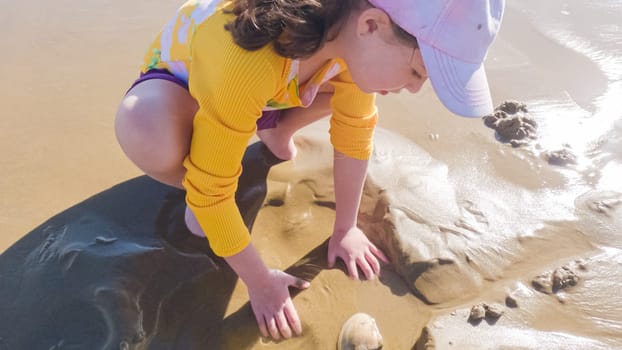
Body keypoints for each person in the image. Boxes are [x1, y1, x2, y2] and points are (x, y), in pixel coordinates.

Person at [115, 0, 505, 341]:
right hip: (187, 89)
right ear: (372, 24)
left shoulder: (353, 34)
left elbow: (354, 133)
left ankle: (275, 126)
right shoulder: (244, 61)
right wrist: (260, 282)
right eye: (418, 72)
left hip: (272, 87)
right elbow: (211, 195)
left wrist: (346, 227)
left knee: (347, 84)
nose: (416, 88)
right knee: (148, 132)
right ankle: (197, 161)